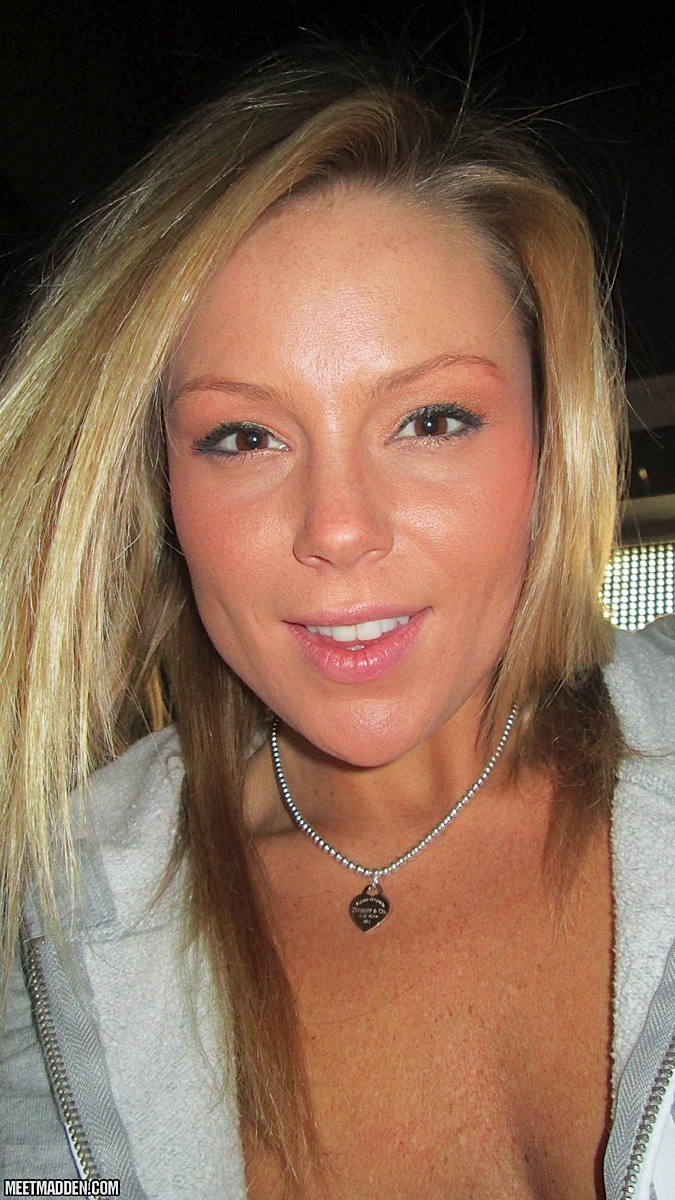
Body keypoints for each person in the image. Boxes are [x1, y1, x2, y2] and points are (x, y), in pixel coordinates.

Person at [1, 55, 674, 1200]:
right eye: (243, 437)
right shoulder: (43, 924)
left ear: (550, 444)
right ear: (161, 487)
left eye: (432, 419)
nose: (339, 530)